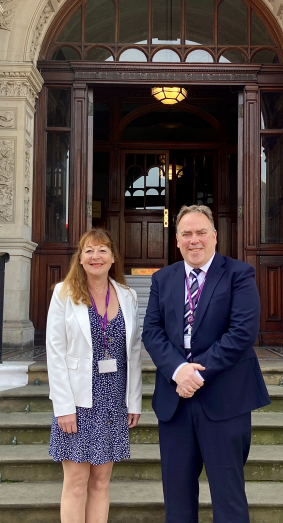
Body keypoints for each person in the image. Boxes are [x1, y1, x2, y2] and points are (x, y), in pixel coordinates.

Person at [142, 205, 270, 523]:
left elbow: (242, 333)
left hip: (224, 399)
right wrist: (177, 371)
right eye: (187, 233)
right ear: (176, 240)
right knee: (178, 499)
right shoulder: (162, 279)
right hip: (175, 402)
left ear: (215, 236)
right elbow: (152, 331)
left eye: (201, 232)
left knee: (228, 499)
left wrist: (196, 373)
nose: (194, 240)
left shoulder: (239, 274)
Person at [45, 228, 142, 523]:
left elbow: (134, 353)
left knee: (101, 482)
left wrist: (133, 401)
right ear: (81, 257)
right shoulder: (64, 293)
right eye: (89, 250)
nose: (95, 256)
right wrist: (63, 407)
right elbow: (55, 352)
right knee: (76, 484)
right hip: (77, 402)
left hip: (113, 401)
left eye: (102, 250)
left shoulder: (128, 295)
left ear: (113, 257)